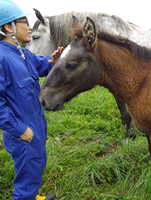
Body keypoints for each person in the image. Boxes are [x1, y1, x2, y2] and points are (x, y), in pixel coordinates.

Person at [0, 0, 63, 199]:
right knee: (28, 174)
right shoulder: (2, 58)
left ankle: (32, 195)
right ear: (8, 27)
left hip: (35, 124)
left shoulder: (23, 54)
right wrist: (21, 130)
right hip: (22, 131)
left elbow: (42, 64)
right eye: (24, 22)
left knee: (34, 167)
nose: (29, 27)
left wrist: (52, 61)